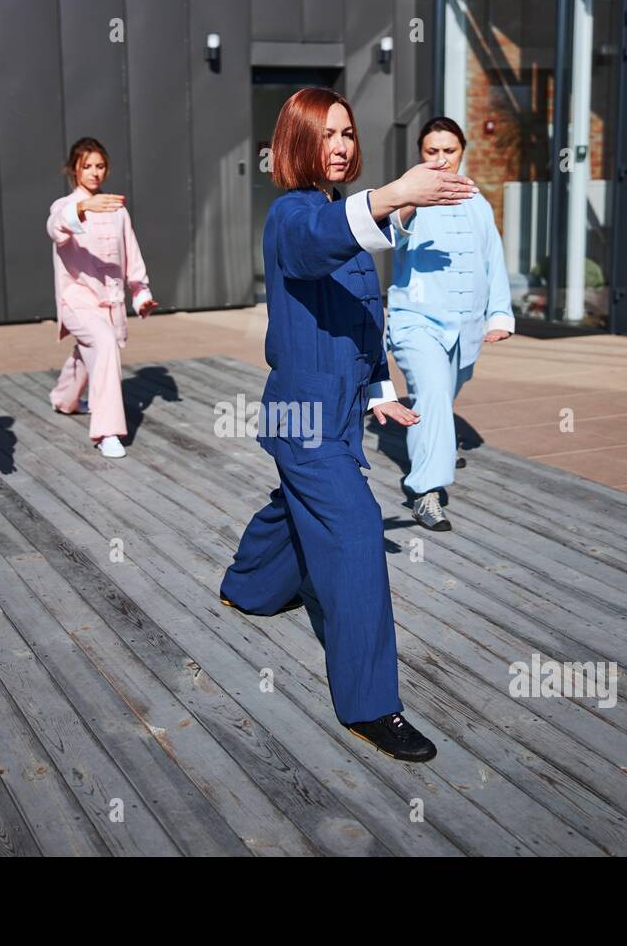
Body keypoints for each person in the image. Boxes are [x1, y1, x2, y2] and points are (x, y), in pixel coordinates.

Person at [219, 88, 476, 763]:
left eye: (347, 133)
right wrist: (393, 194)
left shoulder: (341, 219)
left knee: (298, 510)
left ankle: (247, 587)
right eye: (326, 134)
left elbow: (360, 316)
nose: (339, 145)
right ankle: (371, 706)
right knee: (355, 528)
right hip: (305, 414)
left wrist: (380, 389)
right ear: (299, 143)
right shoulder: (291, 217)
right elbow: (313, 247)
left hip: (334, 412)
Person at [387, 117, 514, 532]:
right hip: (416, 320)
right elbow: (393, 231)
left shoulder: (478, 200)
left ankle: (436, 445)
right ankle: (426, 492)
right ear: (421, 154)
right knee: (434, 393)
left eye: (449, 151)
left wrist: (498, 315)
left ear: (462, 151)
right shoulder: (410, 194)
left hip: (466, 325)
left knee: (443, 394)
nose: (441, 160)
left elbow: (492, 261)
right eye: (431, 152)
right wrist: (409, 198)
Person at [46, 137, 158, 457]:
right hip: (76, 301)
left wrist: (141, 294)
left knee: (92, 347)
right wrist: (81, 207)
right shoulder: (64, 206)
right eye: (87, 166)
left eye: (100, 166)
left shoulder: (117, 209)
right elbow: (55, 228)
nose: (95, 172)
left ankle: (64, 399)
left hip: (109, 302)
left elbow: (131, 256)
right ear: (74, 170)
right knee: (104, 343)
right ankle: (107, 431)